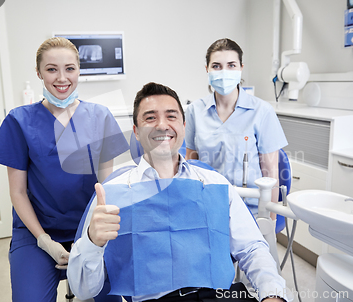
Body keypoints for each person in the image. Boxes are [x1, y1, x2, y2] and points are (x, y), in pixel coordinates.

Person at [67, 82, 289, 302]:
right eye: (150, 118)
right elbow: (84, 290)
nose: (162, 125)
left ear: (183, 126)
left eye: (171, 116)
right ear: (135, 131)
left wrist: (272, 294)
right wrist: (92, 242)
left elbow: (252, 248)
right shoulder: (113, 195)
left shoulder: (215, 184)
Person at [0, 37, 129, 302]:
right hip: (37, 233)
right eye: (51, 69)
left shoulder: (100, 116)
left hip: (89, 229)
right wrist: (44, 241)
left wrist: (93, 237)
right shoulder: (19, 120)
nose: (62, 78)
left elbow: (106, 187)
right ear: (38, 73)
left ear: (79, 71)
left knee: (113, 296)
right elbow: (17, 192)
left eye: (70, 68)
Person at [184, 38, 288, 217]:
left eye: (231, 65)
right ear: (207, 69)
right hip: (208, 206)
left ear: (241, 67)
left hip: (251, 209)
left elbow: (271, 174)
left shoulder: (262, 111)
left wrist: (268, 222)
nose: (224, 71)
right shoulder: (195, 111)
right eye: (216, 66)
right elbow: (192, 164)